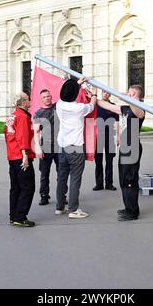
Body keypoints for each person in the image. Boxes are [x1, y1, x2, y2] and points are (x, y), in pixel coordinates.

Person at [97, 85, 146, 221]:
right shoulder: (125, 109)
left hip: (133, 147)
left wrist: (127, 98)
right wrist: (93, 96)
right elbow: (106, 105)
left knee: (130, 179)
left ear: (136, 95)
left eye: (130, 93)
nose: (127, 94)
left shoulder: (140, 107)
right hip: (124, 147)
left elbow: (139, 113)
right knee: (124, 179)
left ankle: (132, 212)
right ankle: (128, 207)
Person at [56, 77, 97, 219]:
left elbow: (68, 92)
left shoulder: (59, 104)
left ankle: (60, 207)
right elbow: (92, 106)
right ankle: (73, 209)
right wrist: (95, 94)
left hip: (62, 147)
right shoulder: (79, 108)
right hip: (75, 148)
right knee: (75, 179)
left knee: (62, 177)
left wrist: (76, 83)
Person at [5, 92, 36, 227]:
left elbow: (8, 134)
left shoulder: (12, 116)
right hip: (21, 156)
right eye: (28, 99)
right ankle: (20, 216)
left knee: (16, 187)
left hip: (12, 155)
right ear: (23, 102)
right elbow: (22, 137)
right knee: (28, 187)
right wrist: (25, 156)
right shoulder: (23, 116)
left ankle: (14, 215)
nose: (30, 101)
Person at [33, 89, 59, 206]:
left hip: (59, 146)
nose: (47, 98)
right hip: (46, 147)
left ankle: (61, 195)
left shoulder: (58, 107)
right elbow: (36, 133)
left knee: (62, 173)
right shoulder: (38, 114)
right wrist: (37, 148)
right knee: (44, 174)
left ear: (51, 96)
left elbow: (68, 96)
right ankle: (44, 195)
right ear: (41, 99)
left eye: (48, 96)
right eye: (44, 97)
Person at [93, 91, 119, 191]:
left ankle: (109, 184)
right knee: (98, 161)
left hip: (110, 136)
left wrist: (118, 136)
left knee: (109, 161)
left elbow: (117, 122)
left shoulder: (112, 106)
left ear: (110, 95)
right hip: (98, 136)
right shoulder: (96, 105)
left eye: (108, 93)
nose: (106, 94)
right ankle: (99, 184)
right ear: (101, 93)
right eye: (104, 92)